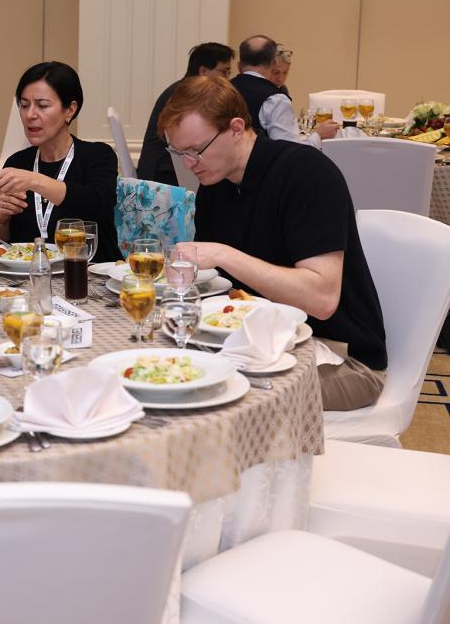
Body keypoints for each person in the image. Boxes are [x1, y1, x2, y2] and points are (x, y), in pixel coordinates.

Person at [157, 75, 387, 411]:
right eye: (179, 152)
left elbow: (322, 299)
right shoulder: (216, 187)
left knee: (214, 394)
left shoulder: (306, 173)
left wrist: (223, 255)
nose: (188, 164)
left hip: (342, 358)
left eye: (196, 150)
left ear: (236, 129)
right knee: (168, 374)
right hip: (262, 346)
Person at [0, 62, 120, 261]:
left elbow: (97, 204)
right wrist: (1, 220)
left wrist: (34, 181)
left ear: (70, 110)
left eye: (43, 105)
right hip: (31, 275)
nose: (30, 115)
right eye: (24, 105)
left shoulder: (97, 155)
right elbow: (0, 244)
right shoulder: (18, 162)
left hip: (90, 274)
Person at [137, 42, 234, 185]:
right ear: (203, 71)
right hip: (164, 173)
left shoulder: (184, 89)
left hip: (167, 167)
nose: (227, 79)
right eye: (224, 72)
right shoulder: (187, 95)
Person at [231, 35, 336, 146]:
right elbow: (289, 149)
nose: (280, 78)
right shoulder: (275, 99)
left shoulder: (224, 89)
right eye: (277, 72)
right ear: (273, 63)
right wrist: (318, 136)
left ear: (240, 65)